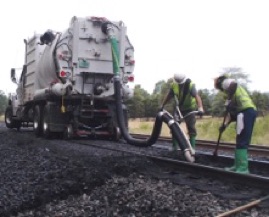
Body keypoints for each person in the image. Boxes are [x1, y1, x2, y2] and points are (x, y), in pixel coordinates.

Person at [214, 74, 257, 174]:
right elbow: (230, 115)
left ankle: (243, 168)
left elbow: (233, 84)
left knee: (242, 140)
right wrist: (224, 125)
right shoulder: (230, 93)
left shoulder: (227, 83)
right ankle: (237, 165)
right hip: (244, 113)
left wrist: (229, 99)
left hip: (246, 112)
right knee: (239, 140)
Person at [160, 73, 204, 150]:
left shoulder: (190, 85)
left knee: (191, 127)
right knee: (174, 126)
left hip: (189, 108)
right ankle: (174, 147)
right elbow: (169, 96)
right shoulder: (174, 85)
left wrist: (200, 108)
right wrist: (162, 105)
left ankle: (192, 148)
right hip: (178, 108)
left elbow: (197, 96)